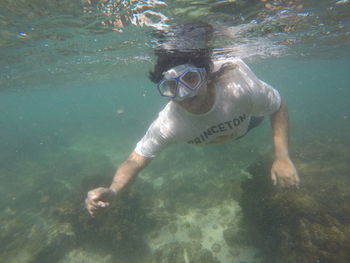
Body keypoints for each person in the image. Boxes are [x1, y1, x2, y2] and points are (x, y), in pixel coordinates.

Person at [85, 24, 300, 217]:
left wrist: (282, 156)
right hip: (225, 130)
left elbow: (277, 105)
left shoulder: (240, 90)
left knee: (258, 116)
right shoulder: (170, 124)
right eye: (171, 87)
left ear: (206, 76)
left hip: (247, 123)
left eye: (191, 79)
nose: (184, 95)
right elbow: (134, 160)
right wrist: (114, 190)